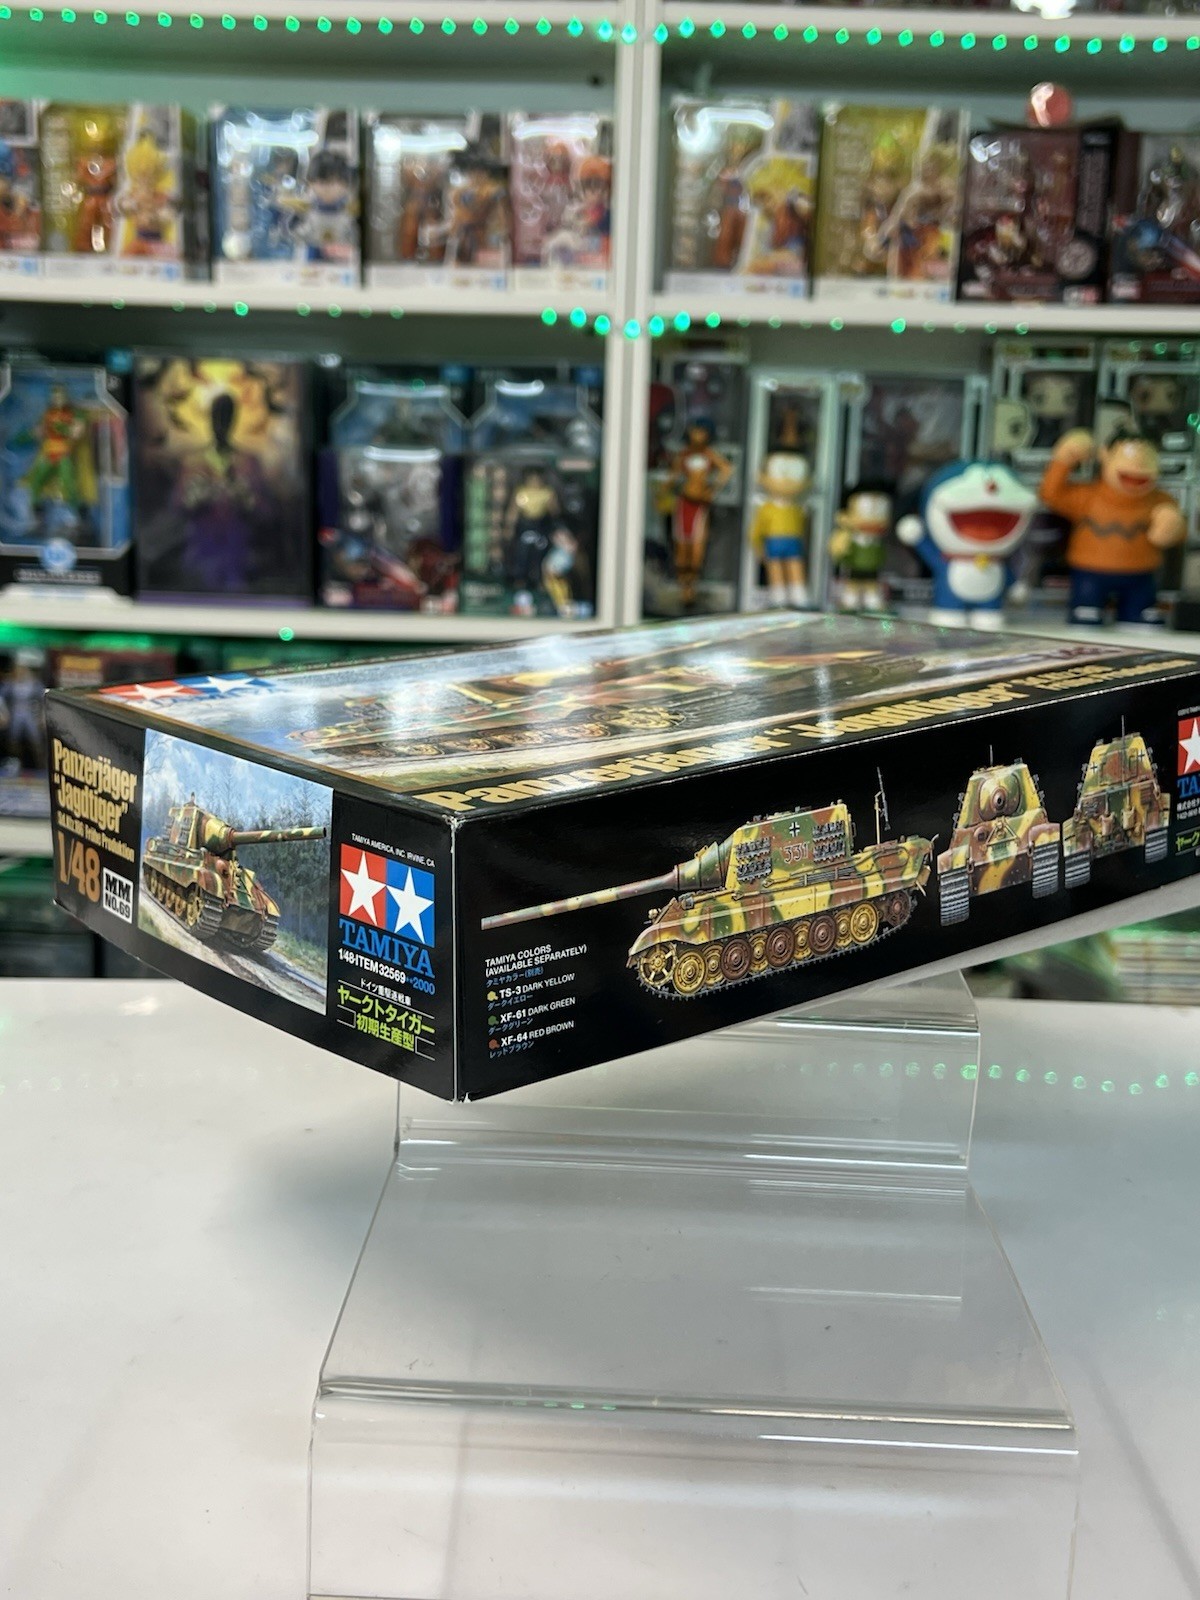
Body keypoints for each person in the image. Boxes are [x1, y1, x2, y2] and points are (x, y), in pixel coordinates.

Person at [1040, 427, 1185, 625]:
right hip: (1089, 573)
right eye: (1128, 455)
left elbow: (1180, 533)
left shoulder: (1160, 501)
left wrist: (1173, 526)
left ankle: (1138, 610)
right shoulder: (1089, 497)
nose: (1138, 464)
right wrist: (1063, 460)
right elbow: (1051, 494)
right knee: (1087, 605)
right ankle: (1087, 607)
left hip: (1141, 575)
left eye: (1148, 458)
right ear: (1105, 455)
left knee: (1141, 603)